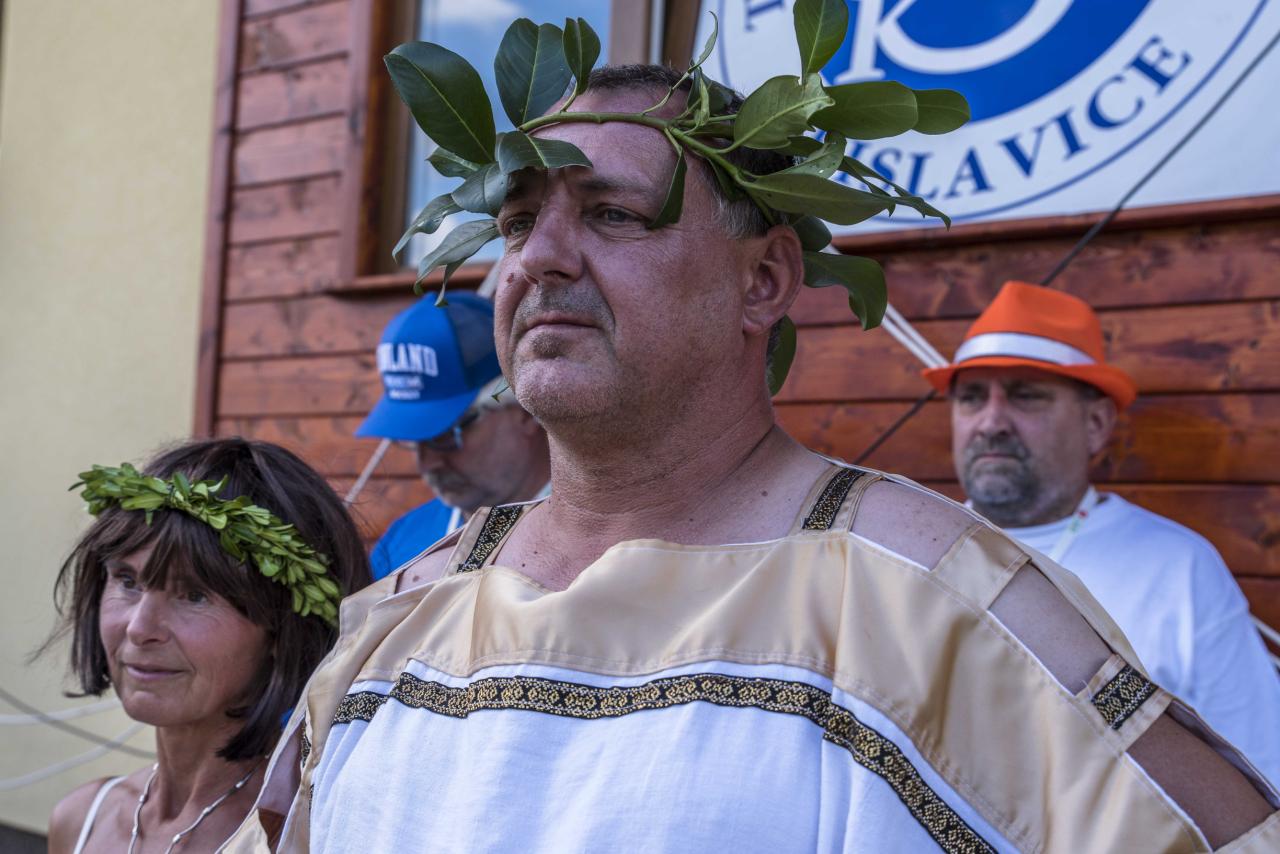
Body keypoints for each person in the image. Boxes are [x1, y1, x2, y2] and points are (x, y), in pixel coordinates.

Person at [227, 67, 1280, 853]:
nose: (537, 257)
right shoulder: (398, 619)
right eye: (515, 223)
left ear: (764, 281)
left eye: (611, 214)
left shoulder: (939, 604)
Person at [924, 279, 1280, 786]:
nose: (991, 422)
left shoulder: (1177, 568)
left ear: (1095, 424)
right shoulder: (913, 549)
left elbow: (1261, 768)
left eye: (1026, 396)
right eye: (971, 398)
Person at [45, 439, 371, 853]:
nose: (139, 628)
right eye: (128, 581)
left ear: (283, 628)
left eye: (194, 595)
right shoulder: (81, 821)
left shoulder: (309, 837)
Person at [356, 293, 550, 579]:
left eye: (447, 434)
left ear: (526, 408)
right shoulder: (399, 548)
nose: (428, 463)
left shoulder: (598, 542)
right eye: (413, 439)